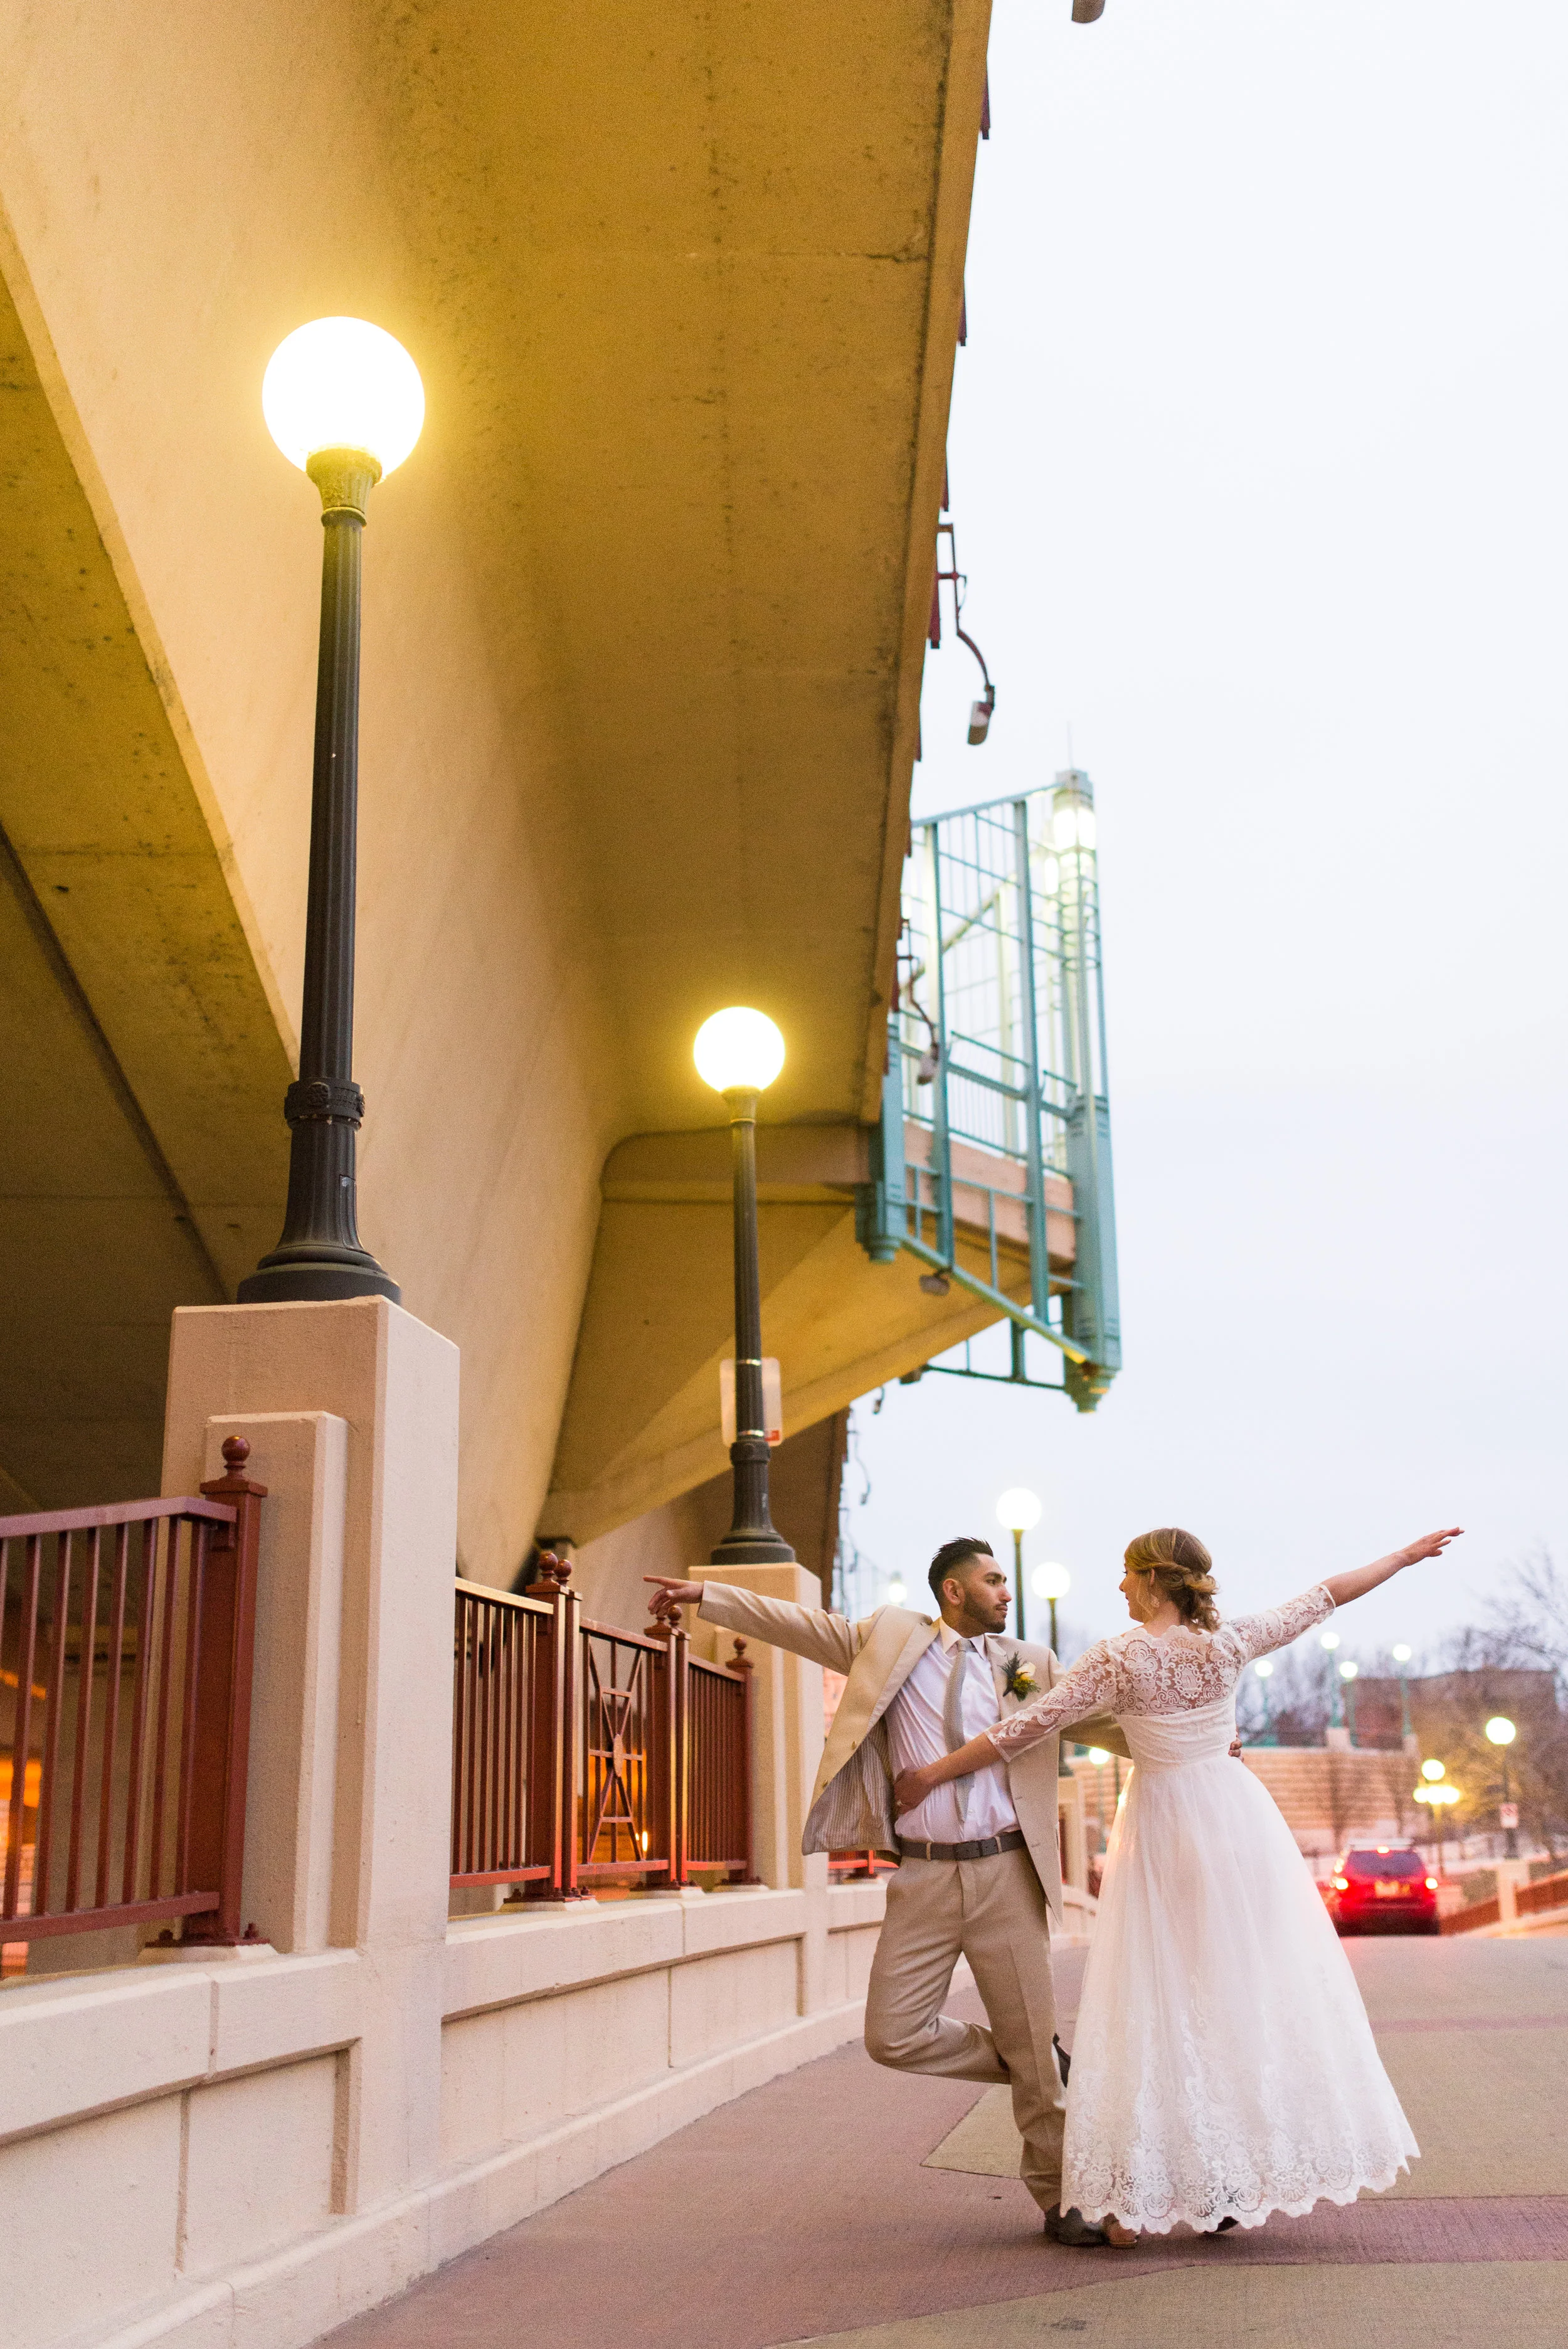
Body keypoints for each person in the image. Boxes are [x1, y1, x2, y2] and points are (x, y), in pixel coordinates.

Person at [893, 1523, 1462, 2242]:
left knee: (1158, 1999)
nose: (1121, 1587)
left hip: (1163, 1829)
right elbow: (1324, 1597)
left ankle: (1159, 2183)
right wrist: (1403, 1558)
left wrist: (930, 1775)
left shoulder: (1119, 1658)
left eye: (1127, 1575)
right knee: (1229, 1994)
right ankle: (1227, 2178)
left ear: (1153, 1578)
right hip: (1234, 1824)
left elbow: (1022, 1728)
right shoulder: (1228, 1643)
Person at [647, 1539, 1131, 2245]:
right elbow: (802, 1625)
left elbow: (1091, 1720)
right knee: (893, 2034)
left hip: (1006, 1872)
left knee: (1032, 2058)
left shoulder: (1026, 1663)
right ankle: (1036, 2061)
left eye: (1005, 1579)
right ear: (952, 1590)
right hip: (924, 1876)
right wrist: (709, 1598)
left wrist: (1190, 1741)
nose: (1005, 1591)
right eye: (992, 1580)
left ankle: (1061, 2200)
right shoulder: (890, 1640)